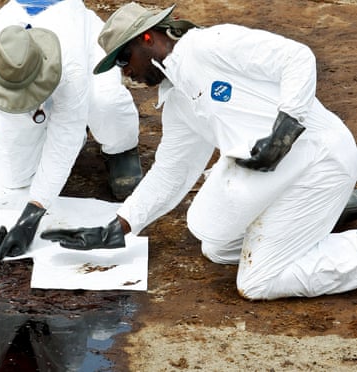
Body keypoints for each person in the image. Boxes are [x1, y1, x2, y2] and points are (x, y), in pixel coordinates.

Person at [41, 2, 357, 300]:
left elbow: (297, 57)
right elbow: (170, 174)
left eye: (124, 59)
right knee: (218, 246)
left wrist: (286, 128)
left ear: (147, 38)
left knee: (257, 281)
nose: (126, 73)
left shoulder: (211, 44)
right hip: (283, 177)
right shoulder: (178, 101)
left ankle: (328, 217)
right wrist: (118, 227)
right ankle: (316, 216)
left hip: (321, 160)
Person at [0, 0, 143, 260]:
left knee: (103, 103)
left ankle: (121, 149)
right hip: (32, 82)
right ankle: (36, 115)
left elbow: (67, 134)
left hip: (87, 57)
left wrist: (32, 216)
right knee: (15, 178)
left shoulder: (71, 63)